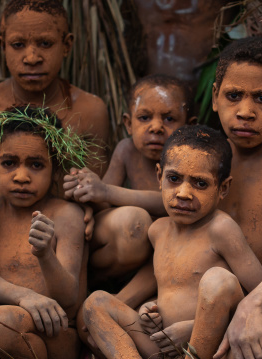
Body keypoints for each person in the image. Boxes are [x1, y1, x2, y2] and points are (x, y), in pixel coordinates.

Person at [73, 37, 262, 359]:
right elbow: (170, 216)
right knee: (98, 306)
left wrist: (253, 304)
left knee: (243, 348)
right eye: (234, 96)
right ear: (216, 97)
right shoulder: (205, 152)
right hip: (196, 310)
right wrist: (104, 196)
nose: (246, 112)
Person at [0, 0, 110, 289]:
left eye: (45, 43)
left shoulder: (90, 111)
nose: (32, 57)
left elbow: (96, 196)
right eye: (18, 45)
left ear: (66, 45)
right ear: (2, 45)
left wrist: (90, 211)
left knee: (130, 226)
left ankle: (70, 292)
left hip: (63, 249)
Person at [81, 125, 262, 359]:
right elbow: (170, 286)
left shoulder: (221, 229)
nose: (183, 193)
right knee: (95, 303)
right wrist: (148, 311)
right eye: (174, 179)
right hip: (160, 344)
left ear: (223, 188)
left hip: (205, 346)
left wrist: (194, 327)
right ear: (160, 177)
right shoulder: (158, 231)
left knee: (220, 281)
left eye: (200, 183)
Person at [0, 105, 89, 358]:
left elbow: (68, 297)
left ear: (56, 170)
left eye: (36, 165)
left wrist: (46, 254)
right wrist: (25, 296)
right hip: (8, 322)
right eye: (9, 163)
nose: (21, 176)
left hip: (57, 331)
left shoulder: (67, 215)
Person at [63, 74, 196, 288]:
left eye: (169, 119)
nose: (156, 127)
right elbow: (103, 203)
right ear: (128, 123)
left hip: (167, 254)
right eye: (144, 118)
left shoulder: (189, 158)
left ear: (189, 127)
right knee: (128, 222)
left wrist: (106, 191)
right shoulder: (127, 150)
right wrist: (84, 191)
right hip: (128, 246)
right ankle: (89, 284)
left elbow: (168, 202)